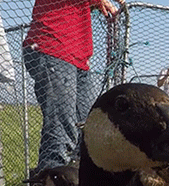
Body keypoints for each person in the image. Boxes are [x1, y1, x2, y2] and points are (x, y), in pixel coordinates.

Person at [23, 0, 123, 173]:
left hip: (77, 56)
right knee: (62, 127)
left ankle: (76, 183)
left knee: (88, 126)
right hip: (52, 45)